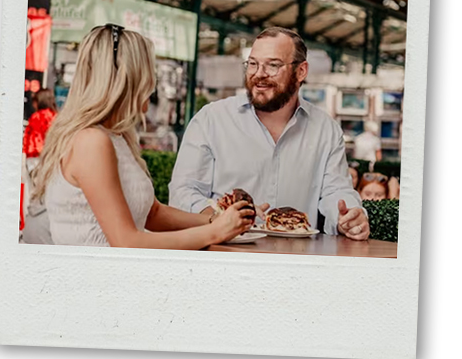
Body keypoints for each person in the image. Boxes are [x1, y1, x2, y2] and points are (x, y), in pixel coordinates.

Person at [30, 24, 252, 249]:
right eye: (149, 70)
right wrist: (214, 231)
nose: (152, 82)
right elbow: (126, 241)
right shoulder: (91, 141)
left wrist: (221, 220)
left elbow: (153, 213)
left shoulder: (114, 136)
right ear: (130, 77)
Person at [169, 26, 370, 241]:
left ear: (301, 71)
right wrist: (219, 218)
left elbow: (336, 192)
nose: (259, 74)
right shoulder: (211, 119)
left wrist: (349, 216)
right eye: (253, 64)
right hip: (225, 253)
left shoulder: (325, 129)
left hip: (295, 259)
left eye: (273, 65)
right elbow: (183, 192)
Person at [21, 88, 58, 243]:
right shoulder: (57, 118)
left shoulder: (36, 117)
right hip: (52, 161)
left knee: (32, 195)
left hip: (35, 160)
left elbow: (30, 143)